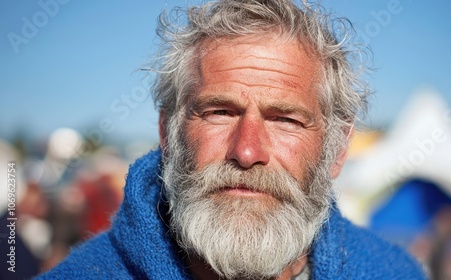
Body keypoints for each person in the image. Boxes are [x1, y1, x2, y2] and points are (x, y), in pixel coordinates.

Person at [37, 0, 426, 279]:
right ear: (167, 133)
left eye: (285, 119)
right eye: (219, 113)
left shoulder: (392, 272)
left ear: (337, 149)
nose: (246, 150)